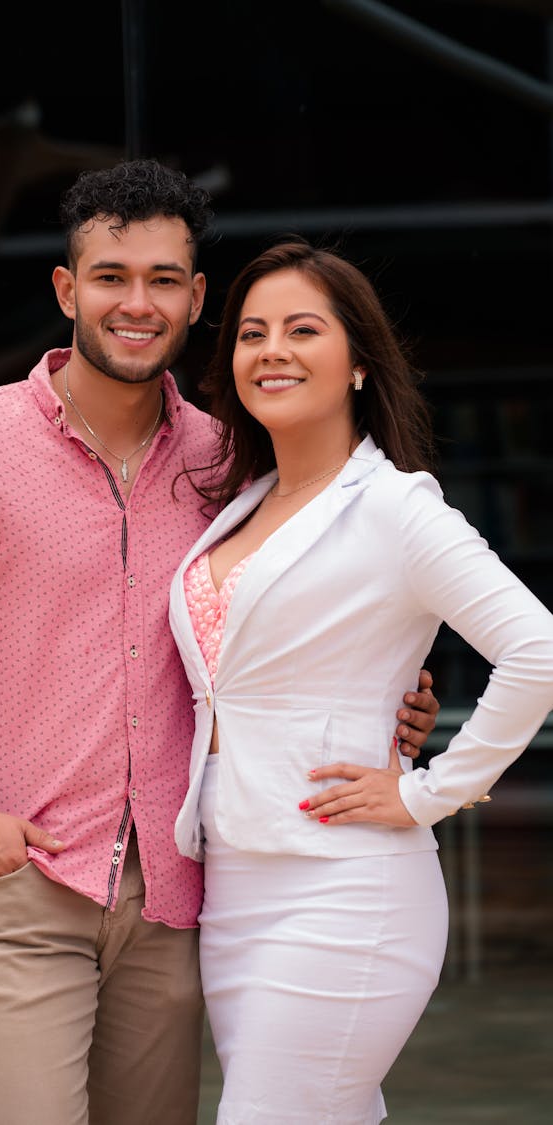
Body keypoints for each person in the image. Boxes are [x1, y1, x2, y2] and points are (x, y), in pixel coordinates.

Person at [0, 161, 440, 1125]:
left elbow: (300, 612)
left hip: (175, 888)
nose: (138, 301)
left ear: (197, 296)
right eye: (111, 275)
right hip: (22, 874)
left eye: (164, 278)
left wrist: (390, 696)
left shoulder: (231, 461)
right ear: (66, 288)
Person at [168, 235, 553, 1124]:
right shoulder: (240, 505)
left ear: (356, 364)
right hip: (234, 884)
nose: (272, 349)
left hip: (343, 885)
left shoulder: (396, 506)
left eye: (303, 329)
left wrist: (430, 791)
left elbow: (535, 647)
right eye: (252, 332)